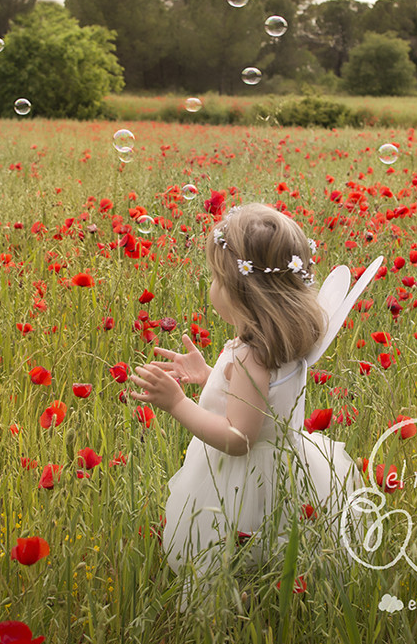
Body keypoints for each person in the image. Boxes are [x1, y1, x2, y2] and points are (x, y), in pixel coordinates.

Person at [130, 203, 381, 612]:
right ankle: (278, 602)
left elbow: (238, 437)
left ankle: (223, 623)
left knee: (226, 553)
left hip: (243, 479)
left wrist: (176, 402)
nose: (211, 286)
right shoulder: (279, 344)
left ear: (241, 291)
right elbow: (260, 404)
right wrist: (210, 374)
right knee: (278, 540)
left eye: (216, 278)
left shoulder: (251, 355)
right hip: (284, 466)